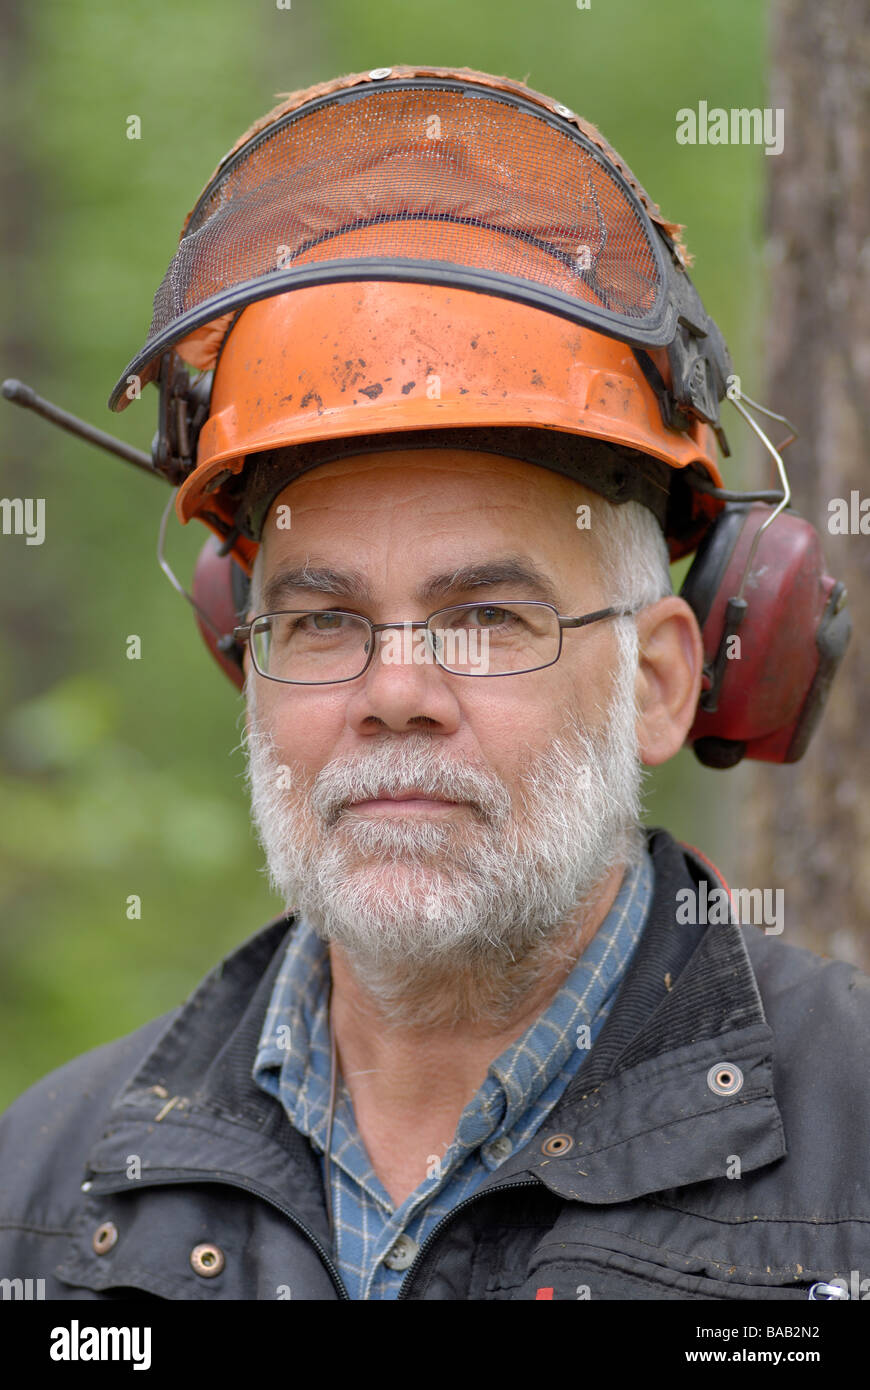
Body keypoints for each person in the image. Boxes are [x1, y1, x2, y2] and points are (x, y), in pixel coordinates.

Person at [0, 65, 866, 1303]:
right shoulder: (40, 1206)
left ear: (662, 681)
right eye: (322, 618)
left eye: (484, 617)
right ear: (243, 660)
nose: (394, 690)